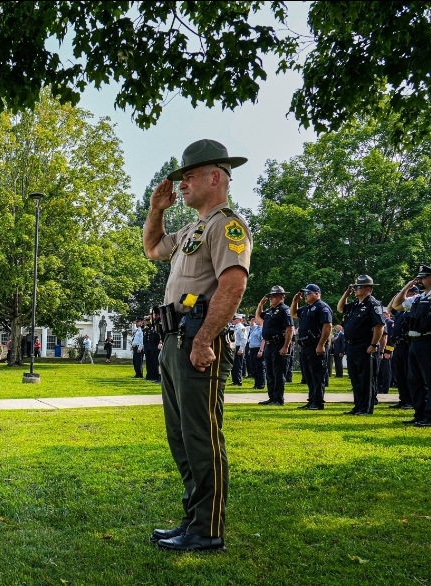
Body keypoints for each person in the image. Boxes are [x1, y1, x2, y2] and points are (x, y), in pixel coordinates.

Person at [142, 139, 251, 552]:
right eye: (181, 178)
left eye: (188, 177)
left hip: (196, 342)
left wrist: (205, 339)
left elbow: (233, 284)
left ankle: (207, 529)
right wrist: (157, 210)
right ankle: (193, 519)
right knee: (182, 436)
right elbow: (152, 248)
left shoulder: (228, 225)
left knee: (202, 436)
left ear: (214, 177)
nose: (181, 184)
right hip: (174, 340)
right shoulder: (192, 229)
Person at [389, 265, 431, 427]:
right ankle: (419, 413)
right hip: (415, 343)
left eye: (423, 277)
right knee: (415, 381)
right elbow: (397, 305)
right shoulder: (419, 298)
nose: (419, 280)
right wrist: (407, 286)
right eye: (419, 278)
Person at [339, 275, 385, 415]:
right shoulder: (355, 304)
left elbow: (379, 326)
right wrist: (346, 294)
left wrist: (374, 344)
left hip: (365, 346)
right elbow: (340, 308)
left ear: (368, 288)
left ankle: (366, 408)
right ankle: (358, 406)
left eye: (358, 287)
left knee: (366, 379)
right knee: (355, 378)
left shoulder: (373, 304)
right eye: (355, 287)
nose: (355, 289)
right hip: (352, 346)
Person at [291, 284, 333, 410]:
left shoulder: (322, 307)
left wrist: (321, 344)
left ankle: (318, 402)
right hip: (305, 346)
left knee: (317, 375)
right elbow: (293, 314)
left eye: (308, 293)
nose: (305, 296)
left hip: (316, 346)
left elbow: (327, 326)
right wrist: (295, 301)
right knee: (308, 375)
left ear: (316, 294)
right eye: (304, 293)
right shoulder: (306, 308)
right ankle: (311, 400)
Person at [256, 286, 293, 406]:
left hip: (279, 344)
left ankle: (278, 399)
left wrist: (286, 346)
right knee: (270, 373)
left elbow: (289, 329)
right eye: (270, 296)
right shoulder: (270, 310)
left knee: (278, 373)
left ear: (281, 297)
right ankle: (272, 397)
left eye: (273, 296)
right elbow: (259, 317)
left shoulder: (284, 310)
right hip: (269, 345)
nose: (271, 299)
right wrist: (260, 305)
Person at [386, 290, 417, 409]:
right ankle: (403, 399)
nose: (405, 296)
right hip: (398, 345)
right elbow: (389, 309)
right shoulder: (401, 310)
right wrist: (397, 295)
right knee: (400, 374)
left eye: (408, 293)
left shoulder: (413, 308)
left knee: (408, 374)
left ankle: (411, 400)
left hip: (408, 344)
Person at [247, 317, 265, 389]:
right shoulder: (255, 328)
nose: (256, 321)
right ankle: (256, 384)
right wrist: (252, 320)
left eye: (258, 319)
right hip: (252, 349)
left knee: (260, 367)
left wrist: (261, 351)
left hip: (258, 348)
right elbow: (251, 326)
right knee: (254, 367)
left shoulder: (262, 329)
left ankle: (261, 384)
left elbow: (263, 341)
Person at [230, 315, 248, 386]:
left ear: (239, 320)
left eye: (235, 319)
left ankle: (238, 381)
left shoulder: (242, 328)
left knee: (238, 364)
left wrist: (241, 349)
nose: (233, 320)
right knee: (233, 365)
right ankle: (234, 380)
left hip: (238, 347)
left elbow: (244, 339)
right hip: (234, 347)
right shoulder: (234, 327)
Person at [144, 315, 162, 381]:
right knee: (151, 362)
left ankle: (156, 376)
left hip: (155, 346)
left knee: (156, 362)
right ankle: (151, 375)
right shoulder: (149, 327)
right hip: (150, 347)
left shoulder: (156, 326)